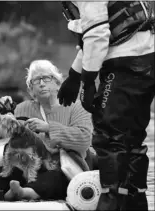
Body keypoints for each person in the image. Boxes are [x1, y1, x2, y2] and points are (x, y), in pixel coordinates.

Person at [57, 1, 154, 210]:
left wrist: (88, 80)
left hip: (125, 62)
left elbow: (98, 34)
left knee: (111, 136)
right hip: (146, 58)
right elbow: (100, 34)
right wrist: (75, 75)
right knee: (131, 138)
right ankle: (134, 201)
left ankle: (112, 201)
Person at [0, 60, 93, 201]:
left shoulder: (76, 106)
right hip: (28, 163)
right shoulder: (23, 108)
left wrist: (48, 128)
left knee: (52, 176)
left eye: (46, 78)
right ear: (31, 90)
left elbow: (84, 139)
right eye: (36, 81)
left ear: (57, 83)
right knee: (10, 169)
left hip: (61, 165)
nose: (42, 84)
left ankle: (23, 192)